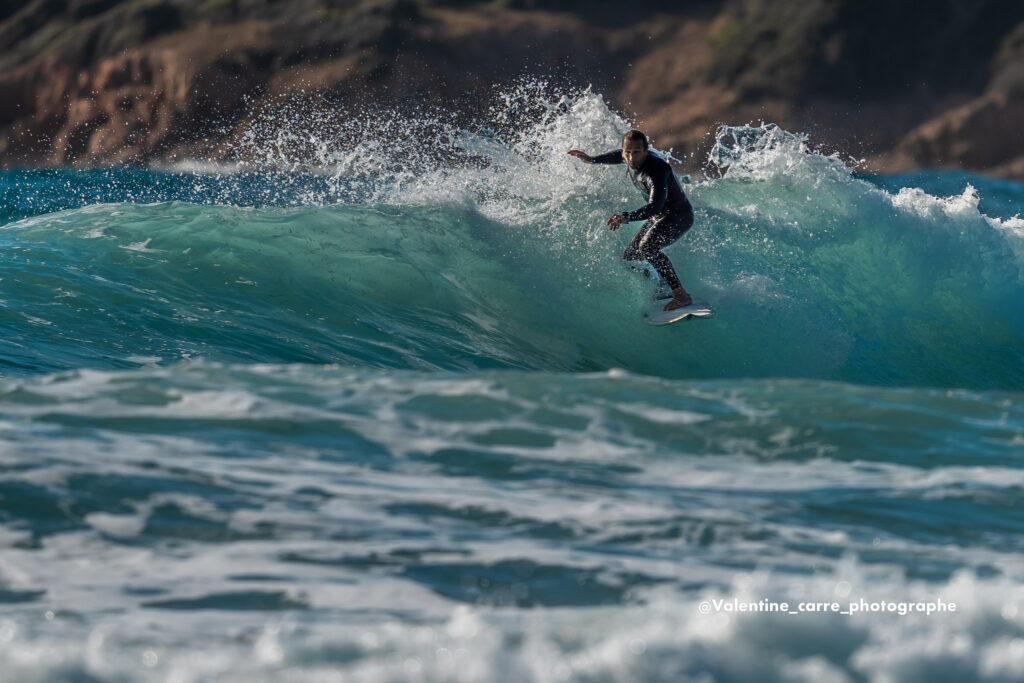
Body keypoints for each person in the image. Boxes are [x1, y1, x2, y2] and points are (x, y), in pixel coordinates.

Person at [568, 130, 694, 311]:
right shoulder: (628, 157)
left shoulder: (656, 170)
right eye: (627, 152)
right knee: (631, 256)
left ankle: (681, 295)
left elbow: (655, 206)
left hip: (678, 216)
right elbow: (617, 157)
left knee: (648, 247)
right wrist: (592, 159)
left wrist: (626, 217)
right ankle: (663, 283)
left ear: (646, 151)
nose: (631, 157)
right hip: (659, 217)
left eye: (636, 152)